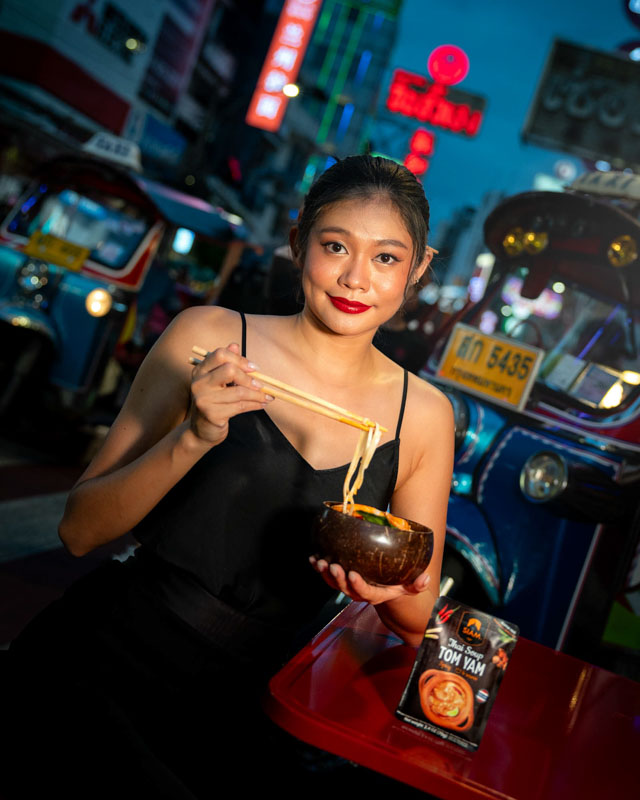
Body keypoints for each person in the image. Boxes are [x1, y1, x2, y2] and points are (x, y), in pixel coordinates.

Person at [4, 155, 454, 799]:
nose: (357, 278)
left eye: (386, 258)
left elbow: (417, 612)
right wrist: (194, 436)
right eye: (335, 247)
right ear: (298, 243)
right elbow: (79, 530)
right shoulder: (211, 337)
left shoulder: (425, 415)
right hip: (106, 660)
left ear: (418, 269)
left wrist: (375, 592)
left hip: (256, 705)